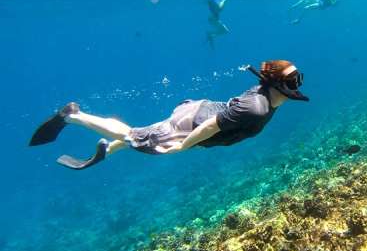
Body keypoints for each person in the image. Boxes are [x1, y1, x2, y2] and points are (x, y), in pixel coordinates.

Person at [29, 60, 308, 170]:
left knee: (140, 135)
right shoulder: (257, 106)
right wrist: (182, 145)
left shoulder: (265, 94)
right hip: (190, 123)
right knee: (134, 136)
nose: (298, 84)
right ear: (276, 83)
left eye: (299, 78)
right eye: (293, 79)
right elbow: (211, 126)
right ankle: (72, 116)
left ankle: (107, 149)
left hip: (198, 111)